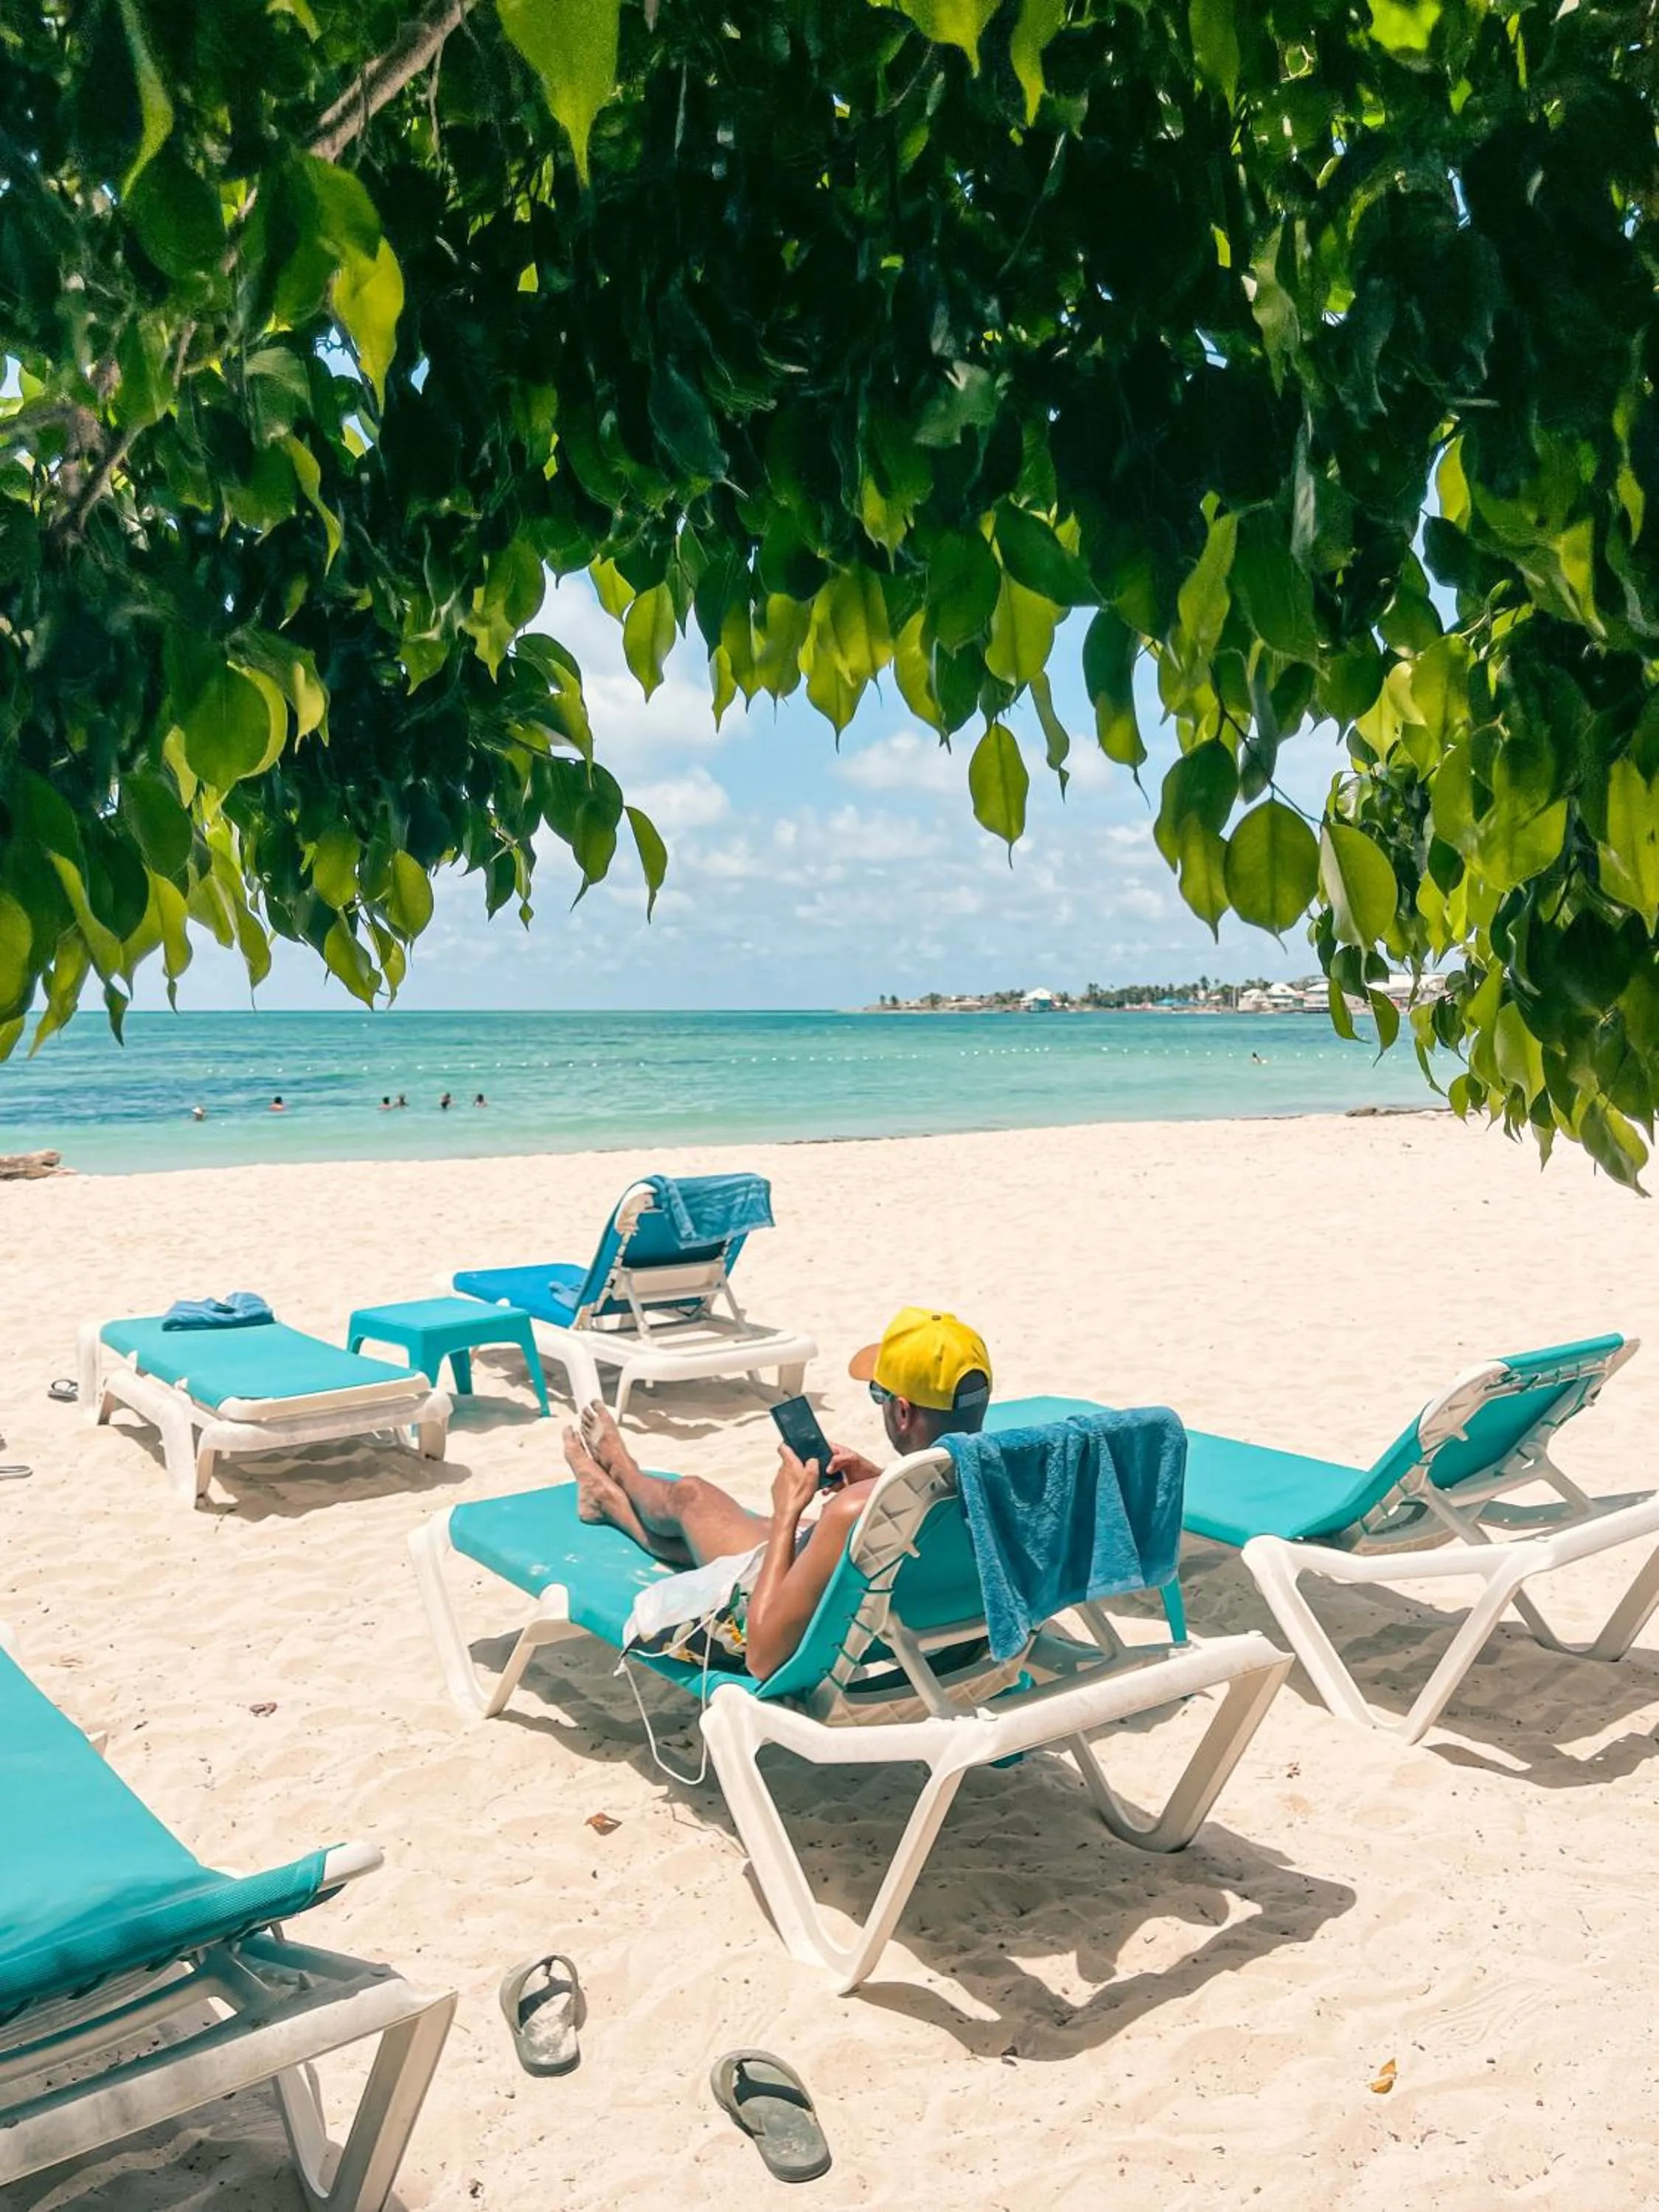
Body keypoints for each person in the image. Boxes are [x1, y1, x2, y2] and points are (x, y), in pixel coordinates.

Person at [564, 1308, 991, 1681]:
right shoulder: (1008, 1479)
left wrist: (787, 1510)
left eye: (877, 1393)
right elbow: (940, 1512)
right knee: (741, 1529)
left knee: (692, 1497)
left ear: (902, 1411)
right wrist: (878, 1479)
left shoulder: (852, 1510)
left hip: (816, 1617)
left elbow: (763, 1658)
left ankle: (622, 1479)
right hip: (921, 1608)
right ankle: (613, 1501)